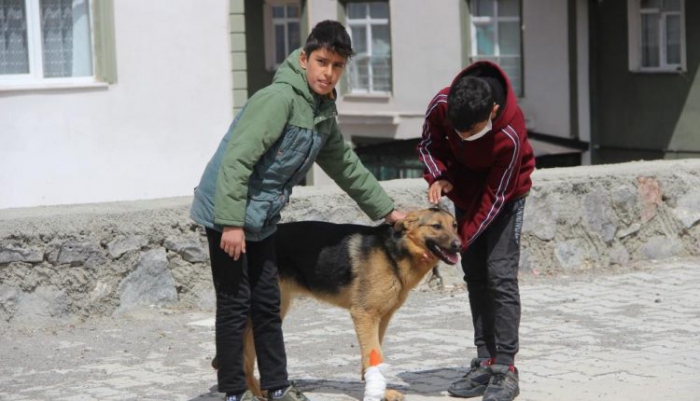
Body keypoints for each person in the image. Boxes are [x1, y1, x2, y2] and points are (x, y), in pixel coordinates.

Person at [190, 20, 405, 401]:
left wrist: (387, 211)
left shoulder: (321, 111)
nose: (328, 73)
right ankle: (233, 391)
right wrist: (231, 224)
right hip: (227, 211)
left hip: (262, 217)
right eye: (322, 62)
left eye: (337, 66)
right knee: (237, 302)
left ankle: (276, 387)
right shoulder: (279, 100)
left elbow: (345, 166)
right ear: (304, 58)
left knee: (268, 303)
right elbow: (237, 162)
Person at [417, 61, 535, 401]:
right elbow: (428, 146)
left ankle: (506, 368)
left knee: (499, 276)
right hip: (465, 192)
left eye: (472, 132)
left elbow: (495, 199)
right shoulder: (443, 104)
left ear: (493, 110)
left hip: (506, 196)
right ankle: (485, 361)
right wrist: (438, 174)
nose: (465, 138)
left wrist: (457, 242)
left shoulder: (511, 133)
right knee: (475, 276)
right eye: (460, 132)